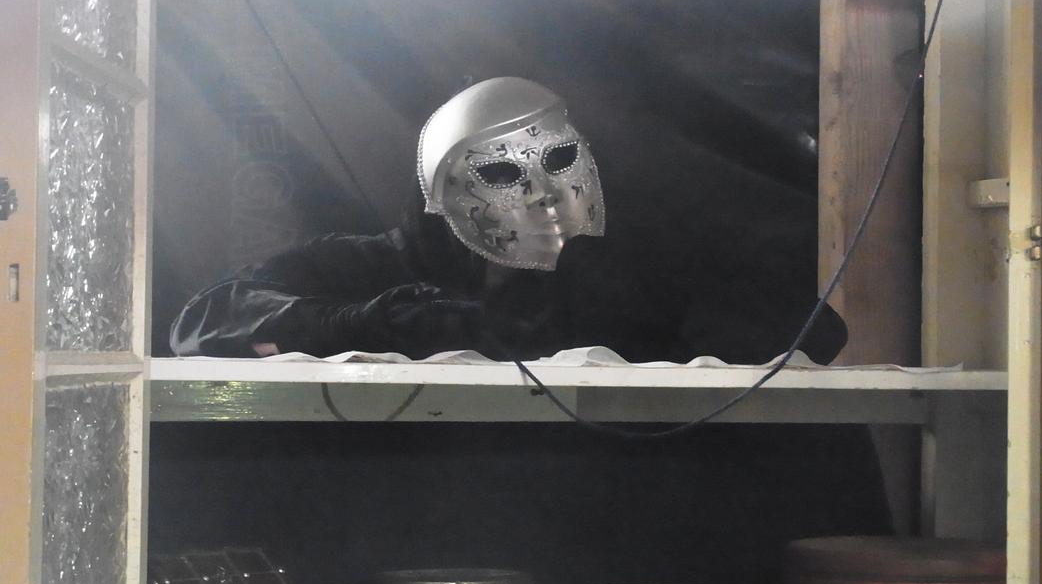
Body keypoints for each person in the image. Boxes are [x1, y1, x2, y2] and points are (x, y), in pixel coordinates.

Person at [170, 77, 847, 364]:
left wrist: (678, 286)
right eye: (501, 172)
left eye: (558, 162)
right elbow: (204, 319)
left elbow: (815, 334)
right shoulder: (372, 264)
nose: (540, 192)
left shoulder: (615, 278)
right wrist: (364, 322)